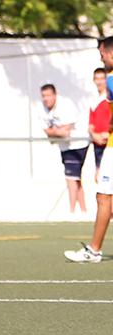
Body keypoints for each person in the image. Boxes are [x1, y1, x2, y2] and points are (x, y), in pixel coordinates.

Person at [64, 37, 113, 263]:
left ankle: (94, 250)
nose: (101, 57)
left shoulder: (112, 80)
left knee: (104, 197)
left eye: (102, 53)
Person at [40, 83, 89, 213]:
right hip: (64, 146)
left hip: (77, 144)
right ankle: (84, 211)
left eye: (48, 95)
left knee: (71, 178)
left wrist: (54, 132)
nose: (46, 99)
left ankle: (72, 212)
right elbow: (47, 131)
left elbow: (65, 132)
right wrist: (55, 131)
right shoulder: (43, 109)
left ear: (55, 95)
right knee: (76, 179)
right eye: (43, 96)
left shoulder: (65, 105)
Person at [89, 67, 111, 181]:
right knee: (100, 178)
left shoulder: (110, 98)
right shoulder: (93, 101)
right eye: (97, 78)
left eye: (102, 78)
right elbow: (91, 124)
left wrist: (108, 134)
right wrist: (94, 135)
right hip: (98, 145)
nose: (99, 81)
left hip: (110, 143)